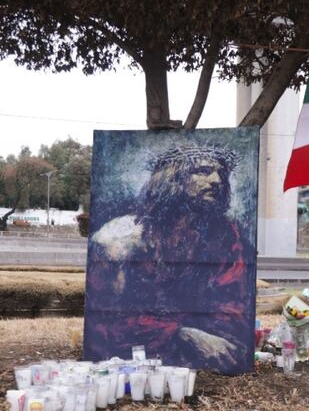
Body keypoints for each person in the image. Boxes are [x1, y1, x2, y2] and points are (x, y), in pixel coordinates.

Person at [86, 144, 254, 373]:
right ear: (173, 177)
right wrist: (182, 333)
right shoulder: (120, 238)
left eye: (221, 173)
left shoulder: (226, 236)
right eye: (202, 171)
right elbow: (107, 322)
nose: (216, 180)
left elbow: (232, 311)